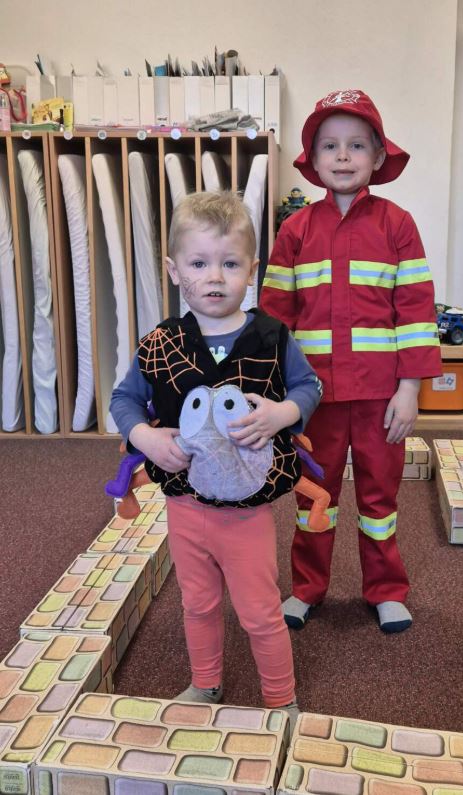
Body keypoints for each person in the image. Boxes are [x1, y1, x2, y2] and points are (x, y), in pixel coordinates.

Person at [110, 191, 322, 723]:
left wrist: (281, 414)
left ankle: (281, 699)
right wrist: (145, 438)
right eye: (199, 263)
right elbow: (124, 400)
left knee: (259, 612)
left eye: (230, 264)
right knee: (197, 604)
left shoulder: (273, 337)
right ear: (173, 270)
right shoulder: (160, 342)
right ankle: (205, 685)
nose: (214, 277)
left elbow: (308, 387)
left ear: (252, 270)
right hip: (184, 507)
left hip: (246, 513)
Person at [259, 89, 442, 634]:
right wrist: (275, 392)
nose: (343, 156)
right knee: (314, 495)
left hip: (381, 396)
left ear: (378, 156)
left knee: (379, 499)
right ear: (312, 160)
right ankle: (306, 589)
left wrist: (410, 389)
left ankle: (386, 590)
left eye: (357, 145)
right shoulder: (294, 230)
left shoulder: (397, 225)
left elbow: (416, 311)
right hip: (312, 397)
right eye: (330, 146)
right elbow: (275, 317)